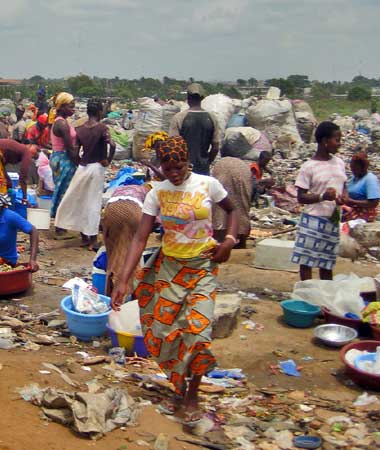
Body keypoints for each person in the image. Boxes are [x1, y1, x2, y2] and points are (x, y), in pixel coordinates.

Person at [110, 136, 238, 425]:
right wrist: (123, 279)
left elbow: (232, 210)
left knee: (198, 332)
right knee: (166, 333)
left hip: (203, 267)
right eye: (168, 168)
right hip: (169, 270)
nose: (174, 173)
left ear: (187, 162)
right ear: (161, 167)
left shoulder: (208, 184)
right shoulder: (157, 193)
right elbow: (140, 238)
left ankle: (192, 395)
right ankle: (179, 382)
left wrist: (228, 240)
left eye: (178, 166)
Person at [55, 98, 115, 249]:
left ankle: (83, 237)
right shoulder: (102, 128)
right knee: (93, 203)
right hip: (97, 168)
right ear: (100, 111)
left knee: (79, 200)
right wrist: (108, 159)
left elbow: (75, 152)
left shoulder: (79, 129)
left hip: (83, 167)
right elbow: (112, 145)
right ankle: (93, 240)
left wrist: (81, 161)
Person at [291, 121, 347, 281]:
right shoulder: (309, 167)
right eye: (337, 139)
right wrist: (323, 196)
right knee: (306, 262)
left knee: (327, 264)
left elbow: (344, 184)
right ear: (324, 141)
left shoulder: (339, 163)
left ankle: (325, 295)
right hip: (313, 221)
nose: (339, 143)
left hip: (332, 219)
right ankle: (307, 295)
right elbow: (301, 197)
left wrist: (344, 197)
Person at [168, 83, 221, 175]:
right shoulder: (212, 118)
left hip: (183, 168)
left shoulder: (179, 117)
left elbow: (172, 146)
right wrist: (207, 162)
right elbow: (215, 147)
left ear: (188, 98)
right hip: (203, 168)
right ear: (202, 98)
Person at [49, 92, 78, 233]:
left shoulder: (61, 121)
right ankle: (60, 226)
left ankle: (61, 223)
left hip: (58, 157)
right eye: (71, 106)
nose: (73, 109)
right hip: (63, 158)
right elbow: (70, 148)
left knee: (62, 190)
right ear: (62, 107)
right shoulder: (62, 124)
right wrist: (80, 164)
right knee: (64, 192)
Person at [212, 157, 253, 248]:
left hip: (222, 168)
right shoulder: (246, 166)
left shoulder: (221, 163)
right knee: (241, 204)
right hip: (242, 170)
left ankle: (220, 239)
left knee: (219, 205)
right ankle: (241, 241)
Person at [341, 152, 380, 222]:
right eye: (352, 169)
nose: (353, 171)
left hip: (364, 214)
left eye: (355, 169)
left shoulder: (370, 179)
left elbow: (374, 202)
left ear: (363, 167)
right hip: (352, 210)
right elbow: (347, 189)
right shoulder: (354, 178)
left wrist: (353, 202)